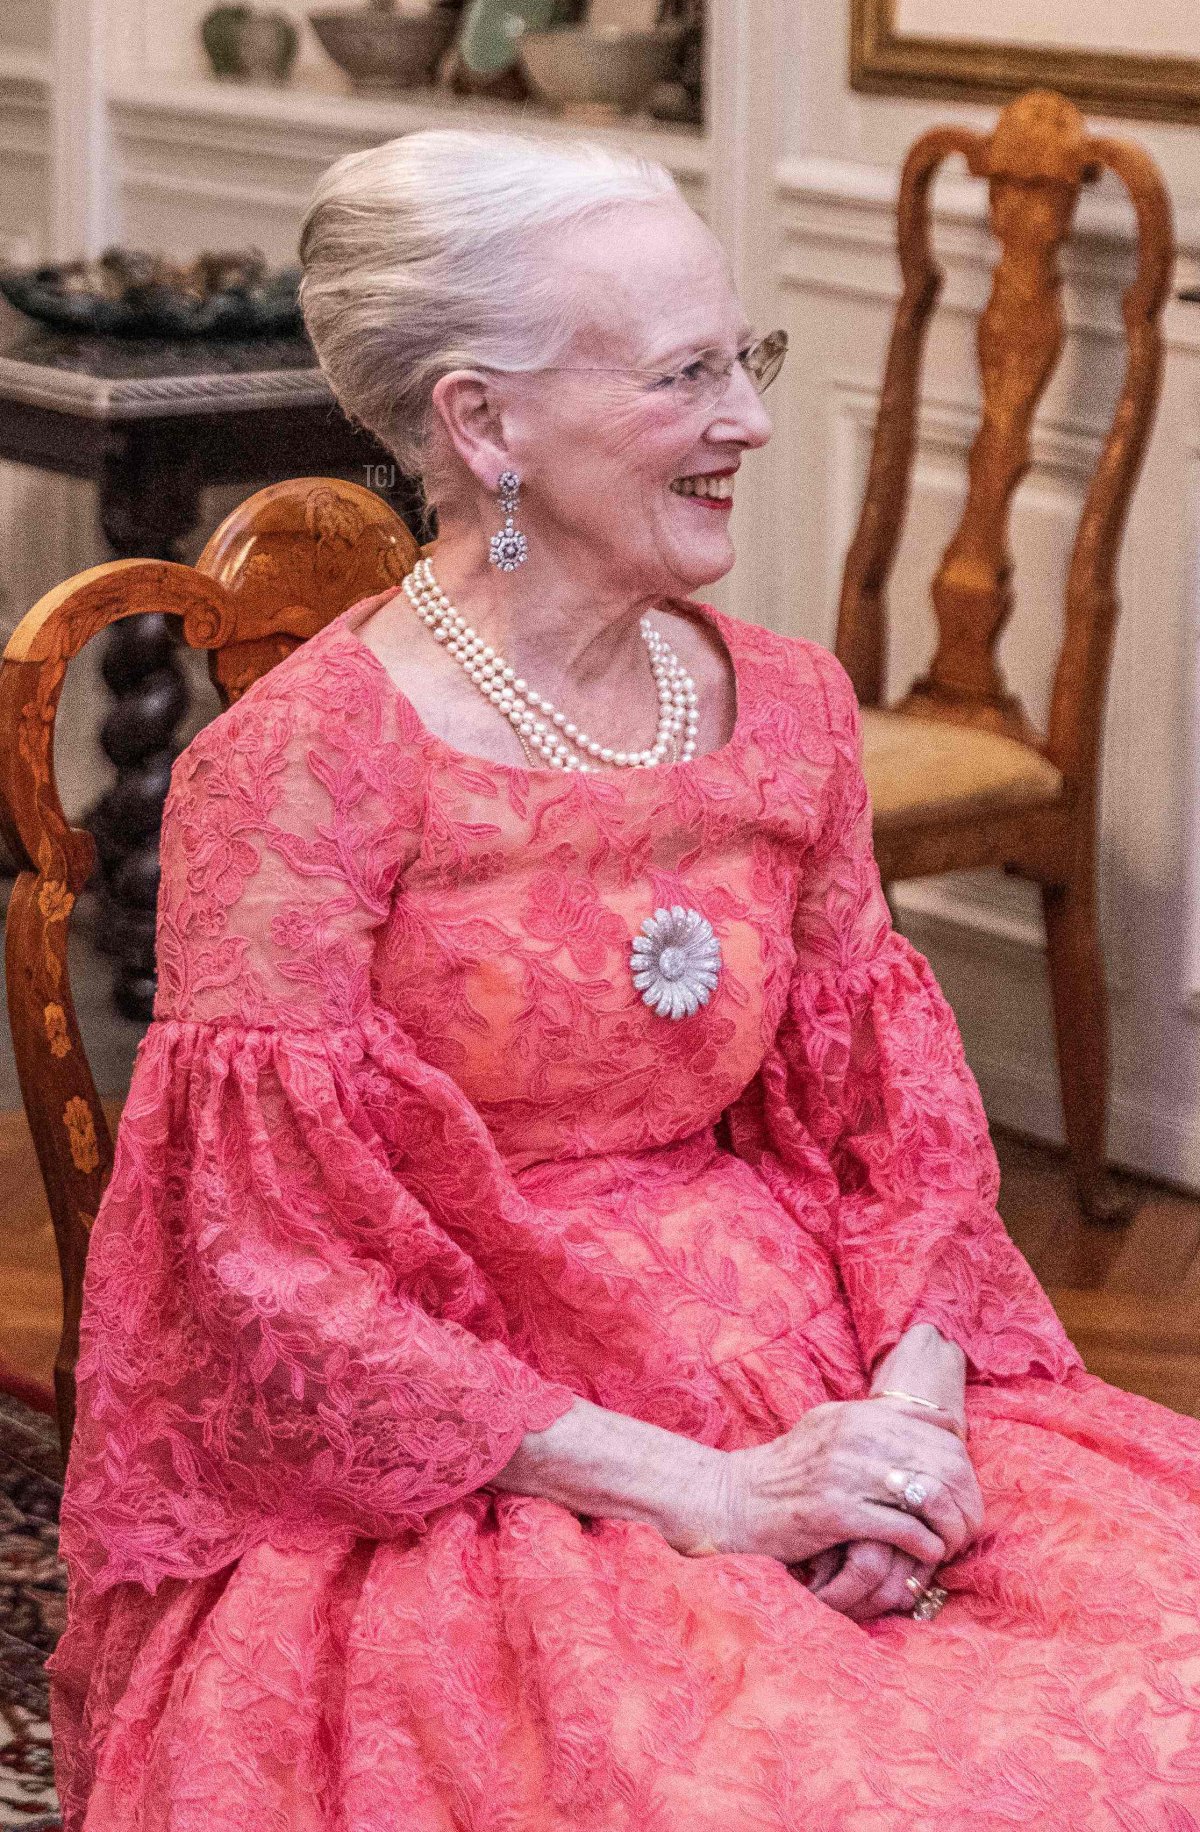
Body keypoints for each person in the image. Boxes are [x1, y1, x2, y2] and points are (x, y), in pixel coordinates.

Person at [45, 127, 1200, 1829]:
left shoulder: (789, 706)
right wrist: (722, 1496)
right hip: (491, 1453)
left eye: (749, 359)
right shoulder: (306, 770)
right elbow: (266, 1281)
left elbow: (903, 1128)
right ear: (483, 423)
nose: (745, 418)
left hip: (835, 1368)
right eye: (682, 376)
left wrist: (907, 1436)